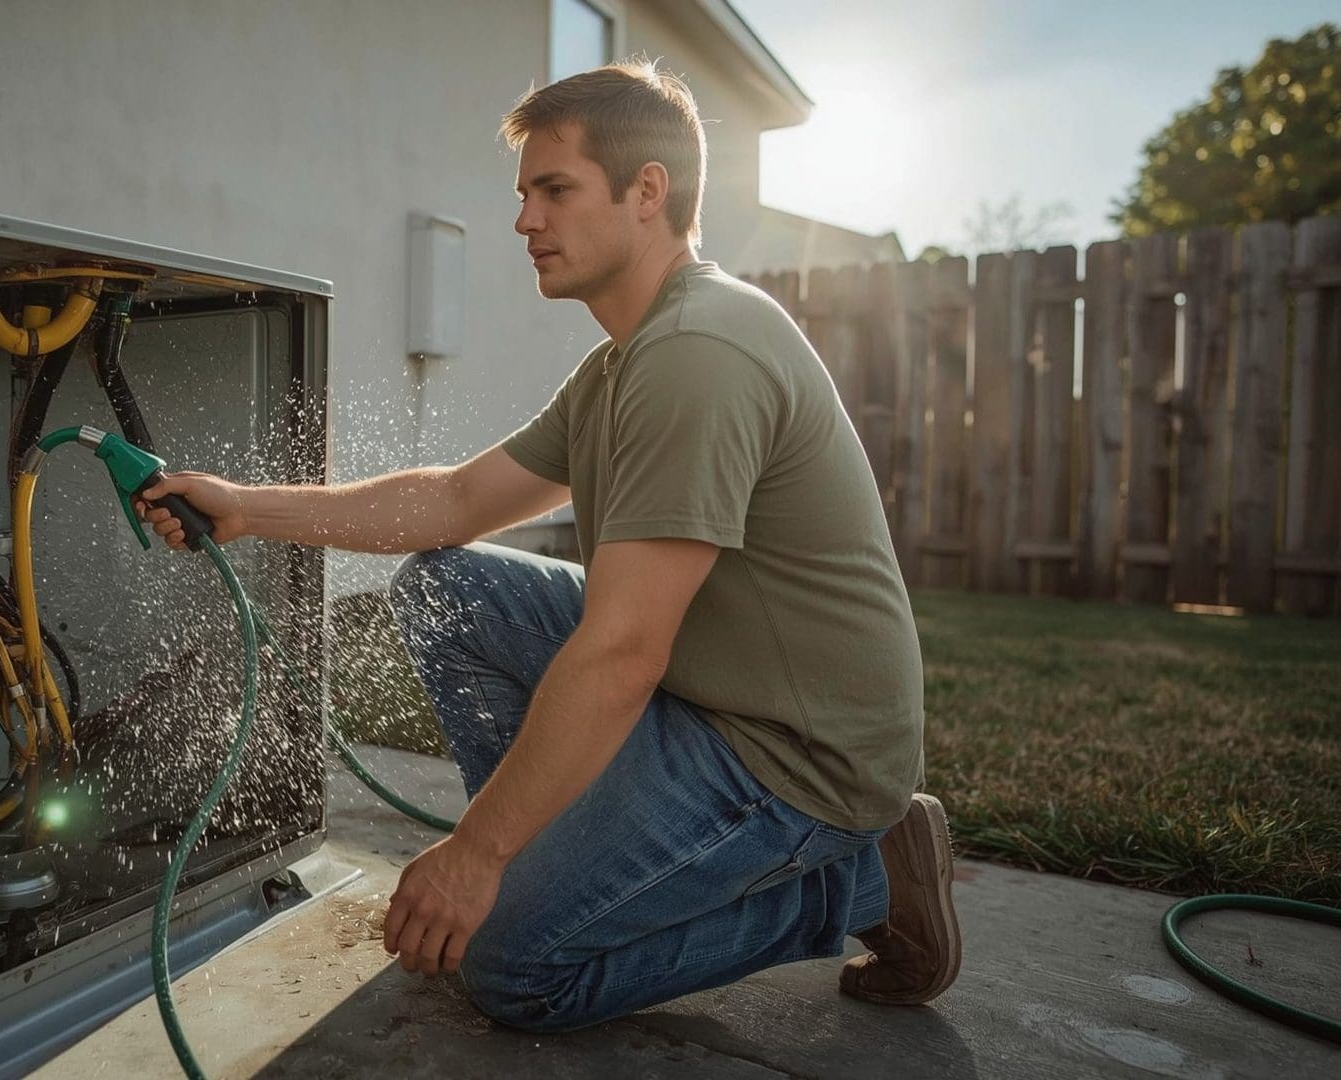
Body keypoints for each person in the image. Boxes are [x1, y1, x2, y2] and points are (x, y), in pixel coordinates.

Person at [133, 59, 960, 1031]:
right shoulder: (622, 365)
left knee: (510, 969)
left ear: (647, 191)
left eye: (553, 190)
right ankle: (548, 861)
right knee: (450, 586)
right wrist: (244, 506)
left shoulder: (700, 354)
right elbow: (453, 502)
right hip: (715, 690)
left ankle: (868, 884)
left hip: (793, 755)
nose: (525, 220)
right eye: (524, 194)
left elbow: (621, 652)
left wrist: (476, 854)